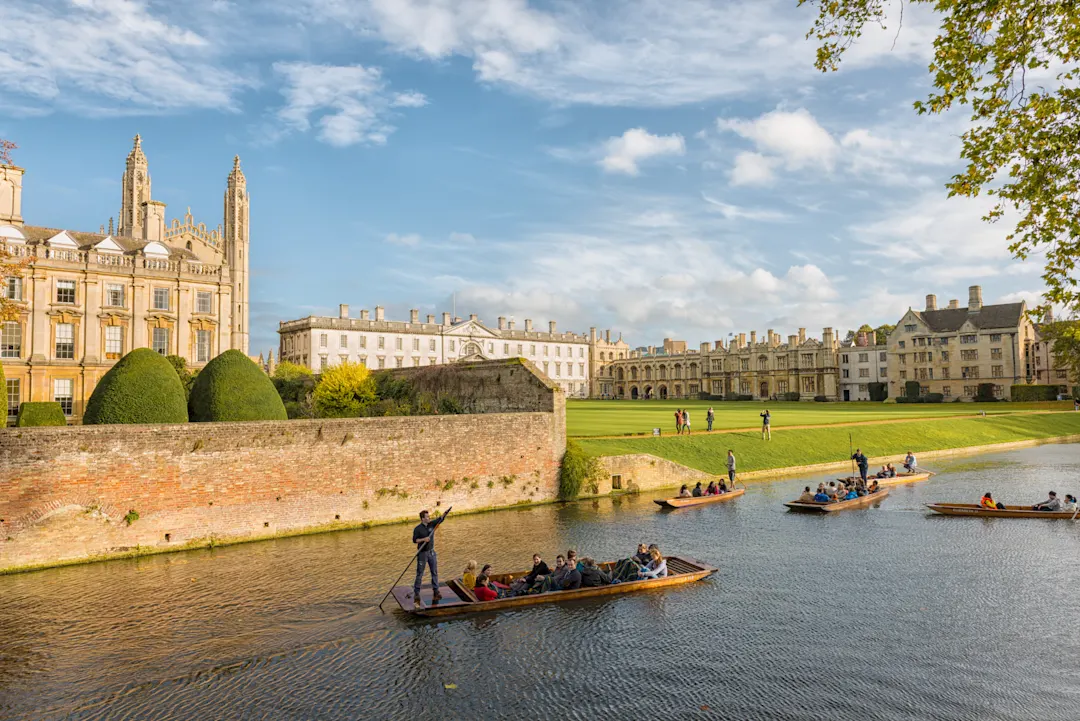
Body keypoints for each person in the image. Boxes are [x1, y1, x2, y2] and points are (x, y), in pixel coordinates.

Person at [412, 509, 448, 605]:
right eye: (427, 517)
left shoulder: (432, 524)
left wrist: (445, 514)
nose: (429, 518)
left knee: (434, 572)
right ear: (422, 519)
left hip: (431, 552)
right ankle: (416, 593)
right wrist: (424, 539)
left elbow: (440, 519)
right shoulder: (417, 529)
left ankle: (436, 591)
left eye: (429, 516)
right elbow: (415, 540)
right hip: (422, 553)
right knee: (420, 573)